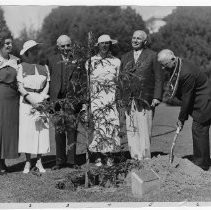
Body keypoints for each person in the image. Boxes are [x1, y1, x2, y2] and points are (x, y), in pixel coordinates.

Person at [157, 49, 211, 171]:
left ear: (172, 59)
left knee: (198, 130)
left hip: (204, 103)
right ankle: (204, 160)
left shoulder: (186, 73)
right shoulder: (179, 65)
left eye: (164, 65)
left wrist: (181, 119)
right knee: (199, 130)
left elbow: (187, 98)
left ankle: (201, 165)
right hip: (200, 102)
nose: (163, 68)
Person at [117, 30, 163, 160]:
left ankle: (145, 156)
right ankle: (135, 156)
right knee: (131, 128)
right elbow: (120, 79)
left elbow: (159, 78)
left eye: (139, 39)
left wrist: (157, 97)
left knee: (144, 128)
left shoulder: (153, 56)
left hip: (145, 98)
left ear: (145, 42)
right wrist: (120, 97)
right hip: (128, 98)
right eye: (133, 38)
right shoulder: (125, 57)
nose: (135, 40)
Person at [47, 35, 86, 170]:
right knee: (59, 132)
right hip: (57, 101)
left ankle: (72, 161)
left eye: (68, 45)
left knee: (71, 130)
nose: (65, 48)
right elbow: (48, 81)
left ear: (71, 46)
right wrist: (49, 101)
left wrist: (81, 101)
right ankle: (59, 161)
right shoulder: (51, 60)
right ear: (58, 47)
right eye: (63, 46)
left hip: (72, 101)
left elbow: (82, 82)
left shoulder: (78, 61)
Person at [86, 34, 121, 166]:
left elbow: (118, 82)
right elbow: (88, 83)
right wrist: (88, 102)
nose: (105, 46)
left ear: (110, 45)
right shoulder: (90, 61)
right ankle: (99, 156)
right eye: (102, 43)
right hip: (96, 99)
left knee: (111, 126)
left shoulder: (116, 61)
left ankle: (110, 156)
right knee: (99, 126)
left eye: (107, 43)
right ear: (98, 46)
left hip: (111, 99)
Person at [17, 40, 50, 174]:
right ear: (28, 53)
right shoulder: (21, 67)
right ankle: (28, 161)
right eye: (33, 49)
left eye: (37, 49)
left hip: (41, 102)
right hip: (27, 103)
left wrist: (41, 100)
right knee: (27, 131)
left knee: (41, 132)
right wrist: (32, 101)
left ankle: (39, 161)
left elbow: (47, 84)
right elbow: (20, 86)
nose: (36, 52)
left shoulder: (44, 67)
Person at [0, 31, 20, 175]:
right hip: (0, 97)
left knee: (8, 131)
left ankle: (4, 161)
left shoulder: (16, 60)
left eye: (11, 43)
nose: (10, 45)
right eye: (7, 43)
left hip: (13, 99)